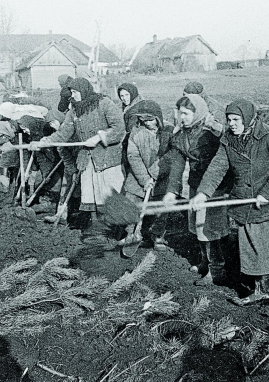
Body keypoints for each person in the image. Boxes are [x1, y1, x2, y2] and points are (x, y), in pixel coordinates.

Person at [192, 99, 269, 303]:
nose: (232, 124)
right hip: (245, 202)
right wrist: (203, 193)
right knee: (253, 244)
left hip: (268, 202)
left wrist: (268, 193)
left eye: (236, 120)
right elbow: (217, 167)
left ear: (248, 119)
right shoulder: (229, 139)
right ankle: (266, 288)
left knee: (265, 246)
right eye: (229, 120)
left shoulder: (268, 136)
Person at [29, 77, 125, 244]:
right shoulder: (74, 110)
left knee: (108, 196)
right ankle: (98, 233)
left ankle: (115, 233)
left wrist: (98, 138)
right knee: (91, 197)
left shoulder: (104, 103)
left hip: (107, 158)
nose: (72, 96)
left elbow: (119, 128)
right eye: (71, 92)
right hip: (87, 159)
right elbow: (64, 132)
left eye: (75, 92)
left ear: (84, 90)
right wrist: (45, 141)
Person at [164, 94, 230, 286]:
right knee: (196, 226)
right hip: (196, 184)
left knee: (209, 228)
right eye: (180, 113)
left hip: (214, 187)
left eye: (186, 113)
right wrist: (172, 191)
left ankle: (217, 270)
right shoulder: (182, 134)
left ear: (198, 112)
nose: (181, 117)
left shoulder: (211, 133)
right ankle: (204, 262)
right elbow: (177, 165)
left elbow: (223, 162)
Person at [120, 100, 173, 249]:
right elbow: (133, 157)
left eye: (150, 119)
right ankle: (130, 234)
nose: (147, 123)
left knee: (161, 208)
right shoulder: (136, 133)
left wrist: (156, 173)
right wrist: (144, 179)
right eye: (143, 120)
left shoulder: (169, 131)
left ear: (158, 117)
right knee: (131, 202)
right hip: (138, 176)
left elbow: (172, 156)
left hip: (162, 176)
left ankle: (157, 236)